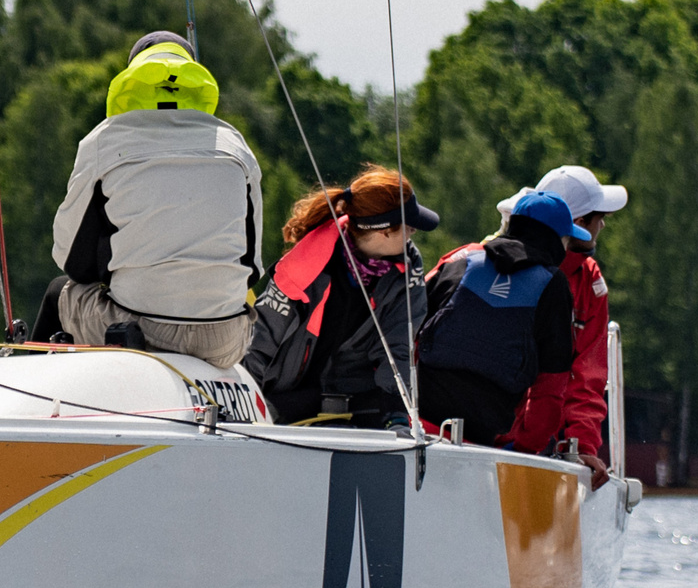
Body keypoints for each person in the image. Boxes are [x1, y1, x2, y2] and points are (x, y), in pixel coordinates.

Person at [33, 31, 265, 373]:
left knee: (59, 294)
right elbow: (252, 267)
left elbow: (73, 262)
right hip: (223, 338)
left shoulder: (103, 141)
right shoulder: (235, 146)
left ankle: (32, 406)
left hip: (140, 332)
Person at [242, 165, 438, 426]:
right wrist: (242, 405)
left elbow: (398, 346)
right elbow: (261, 342)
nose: (414, 231)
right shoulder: (305, 266)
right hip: (287, 406)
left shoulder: (407, 267)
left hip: (359, 408)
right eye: (409, 225)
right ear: (384, 231)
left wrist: (398, 414)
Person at [415, 189, 587, 447]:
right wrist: (525, 446)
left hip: (420, 421)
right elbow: (551, 386)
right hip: (483, 438)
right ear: (557, 240)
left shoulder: (463, 259)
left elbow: (410, 326)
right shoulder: (554, 285)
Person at [497, 165, 626, 485]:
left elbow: (588, 378)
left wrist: (579, 447)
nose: (604, 226)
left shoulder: (590, 280)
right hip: (487, 432)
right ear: (579, 224)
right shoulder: (494, 262)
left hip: (535, 440)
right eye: (600, 218)